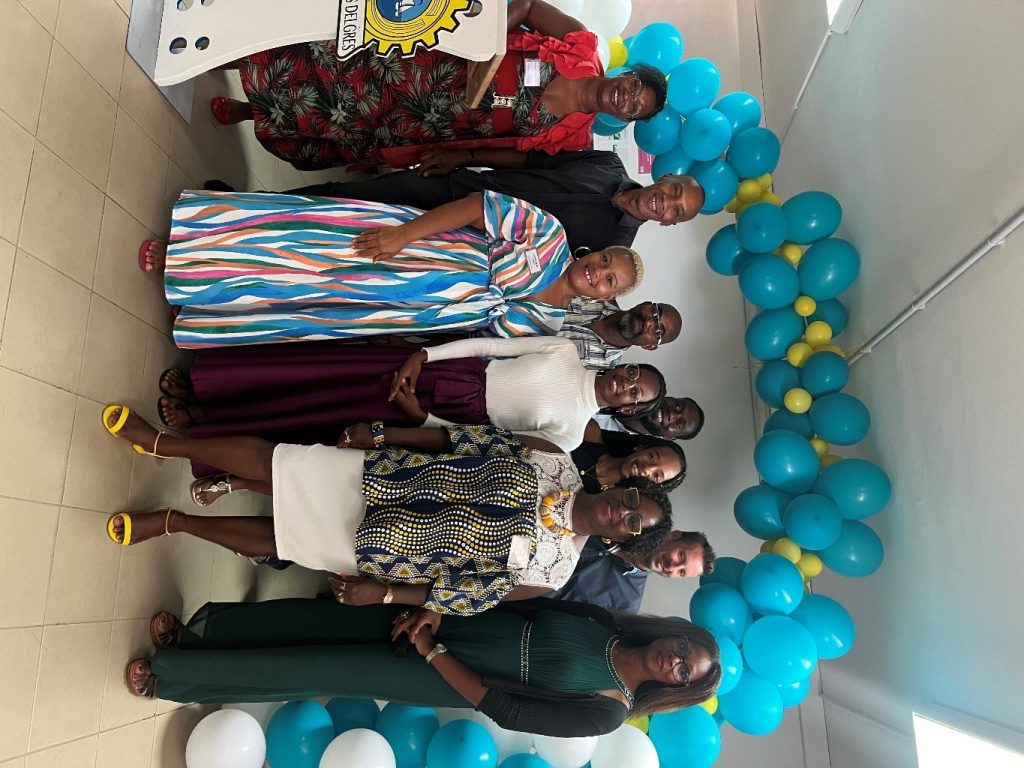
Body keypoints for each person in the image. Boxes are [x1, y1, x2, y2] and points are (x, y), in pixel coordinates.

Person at [101, 405, 672, 616]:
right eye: (632, 500)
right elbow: (460, 439)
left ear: (621, 540)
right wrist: (382, 433)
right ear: (623, 486)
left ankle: (175, 523)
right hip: (385, 474)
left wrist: (387, 595)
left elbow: (468, 595)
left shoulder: (556, 571)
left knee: (281, 540)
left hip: (391, 546)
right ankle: (164, 444)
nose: (623, 512)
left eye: (633, 523)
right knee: (280, 462)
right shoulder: (555, 459)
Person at [123, 598, 721, 737]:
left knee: (314, 663)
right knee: (315, 619)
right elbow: (513, 598)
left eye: (684, 673)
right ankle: (197, 640)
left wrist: (432, 651)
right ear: (676, 633)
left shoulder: (608, 713)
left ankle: (174, 676)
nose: (675, 661)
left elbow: (505, 710)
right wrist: (434, 609)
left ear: (676, 689)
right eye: (684, 650)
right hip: (453, 620)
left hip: (439, 669)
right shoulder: (605, 621)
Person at [142, 189, 644, 348]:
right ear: (596, 251)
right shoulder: (550, 235)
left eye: (609, 281)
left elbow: (479, 343)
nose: (599, 272)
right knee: (302, 248)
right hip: (416, 249)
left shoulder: (548, 325)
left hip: (409, 310)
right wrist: (403, 235)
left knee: (311, 307)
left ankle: (203, 304)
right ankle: (189, 247)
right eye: (605, 260)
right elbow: (477, 207)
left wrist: (406, 338)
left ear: (605, 298)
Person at [209, 0, 667, 169]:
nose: (625, 98)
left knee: (346, 117)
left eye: (634, 107)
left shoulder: (575, 138)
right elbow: (527, 7)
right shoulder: (581, 46)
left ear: (625, 119)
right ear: (626, 75)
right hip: (437, 62)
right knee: (334, 63)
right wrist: (488, 42)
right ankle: (231, 58)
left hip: (441, 121)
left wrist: (462, 157)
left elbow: (519, 157)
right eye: (633, 88)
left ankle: (250, 112)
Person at [155, 338, 666, 483]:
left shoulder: (572, 437)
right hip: (443, 369)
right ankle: (210, 389)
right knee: (320, 375)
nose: (626, 386)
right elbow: (488, 347)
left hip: (435, 414)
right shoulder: (565, 351)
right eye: (633, 375)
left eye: (636, 395)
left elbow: (491, 444)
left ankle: (207, 428)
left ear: (631, 412)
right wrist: (423, 355)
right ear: (625, 365)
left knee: (317, 419)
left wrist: (422, 417)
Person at [273, 153, 705, 253]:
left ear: (669, 223)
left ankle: (264, 240)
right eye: (674, 192)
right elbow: (531, 160)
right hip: (455, 186)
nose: (666, 203)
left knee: (351, 232)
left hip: (461, 241)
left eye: (677, 211)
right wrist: (465, 155)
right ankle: (253, 206)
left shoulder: (615, 248)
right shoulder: (608, 163)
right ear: (666, 177)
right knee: (345, 195)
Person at [548, 531, 717, 614]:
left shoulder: (626, 606)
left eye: (681, 572)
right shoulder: (619, 519)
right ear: (674, 535)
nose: (673, 567)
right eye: (681, 556)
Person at [559, 298, 682, 371]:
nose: (649, 322)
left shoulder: (601, 371)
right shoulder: (598, 292)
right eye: (655, 312)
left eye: (658, 331)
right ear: (644, 304)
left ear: (649, 346)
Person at [571, 429, 687, 493]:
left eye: (656, 476)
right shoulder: (590, 432)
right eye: (651, 457)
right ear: (641, 447)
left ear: (653, 487)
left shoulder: (603, 506)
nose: (647, 469)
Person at [589, 396, 705, 441]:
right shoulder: (620, 387)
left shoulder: (623, 453)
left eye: (679, 424)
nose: (672, 414)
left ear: (669, 437)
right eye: (678, 406)